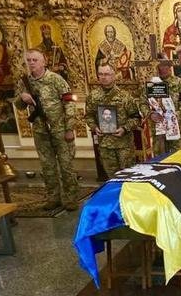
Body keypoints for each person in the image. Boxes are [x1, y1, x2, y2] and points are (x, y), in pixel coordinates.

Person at [15, 50, 80, 210]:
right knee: (47, 166)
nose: (31, 63)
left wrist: (69, 128)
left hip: (60, 129)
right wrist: (22, 98)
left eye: (35, 60)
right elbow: (19, 106)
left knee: (66, 166)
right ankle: (53, 197)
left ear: (44, 62)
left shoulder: (55, 79)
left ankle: (71, 198)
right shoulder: (25, 82)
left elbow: (69, 103)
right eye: (29, 60)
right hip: (40, 130)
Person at [85, 64, 141, 176]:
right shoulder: (93, 96)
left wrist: (125, 128)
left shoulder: (125, 96)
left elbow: (136, 117)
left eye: (107, 74)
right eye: (100, 74)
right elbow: (88, 116)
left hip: (123, 145)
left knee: (128, 177)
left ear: (113, 75)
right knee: (111, 178)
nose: (103, 77)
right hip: (105, 145)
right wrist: (94, 127)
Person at [148, 59, 181, 154]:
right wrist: (150, 114)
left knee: (179, 158)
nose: (162, 69)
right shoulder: (151, 84)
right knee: (160, 159)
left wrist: (174, 117)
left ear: (170, 67)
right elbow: (143, 103)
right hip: (159, 131)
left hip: (177, 130)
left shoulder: (179, 83)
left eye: (165, 65)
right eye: (160, 66)